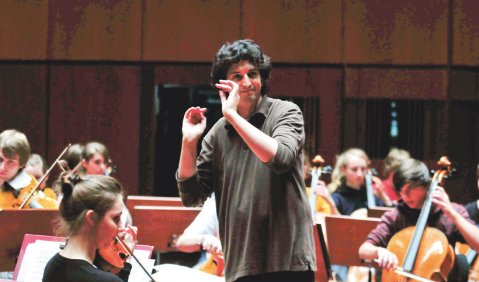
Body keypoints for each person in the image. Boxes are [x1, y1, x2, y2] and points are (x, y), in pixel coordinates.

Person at [176, 39, 316, 282]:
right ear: (223, 84)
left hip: (287, 261)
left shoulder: (285, 112)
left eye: (253, 73)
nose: (247, 82)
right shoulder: (218, 133)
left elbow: (280, 158)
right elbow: (192, 196)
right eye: (237, 76)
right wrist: (189, 141)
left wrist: (231, 115)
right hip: (241, 263)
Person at [358, 158, 479, 281]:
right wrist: (379, 251)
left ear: (426, 185)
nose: (405, 195)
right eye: (400, 190)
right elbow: (364, 250)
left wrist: (452, 213)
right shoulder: (396, 216)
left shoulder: (449, 213)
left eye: (410, 189)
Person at [43, 173, 137, 282]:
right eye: (116, 218)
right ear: (91, 218)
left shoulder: (52, 266)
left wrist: (125, 259)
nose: (121, 227)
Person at [0, 129, 44, 209]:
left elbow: (42, 214)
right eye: (0, 159)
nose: (2, 167)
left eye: (10, 162)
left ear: (21, 164)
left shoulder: (27, 184)